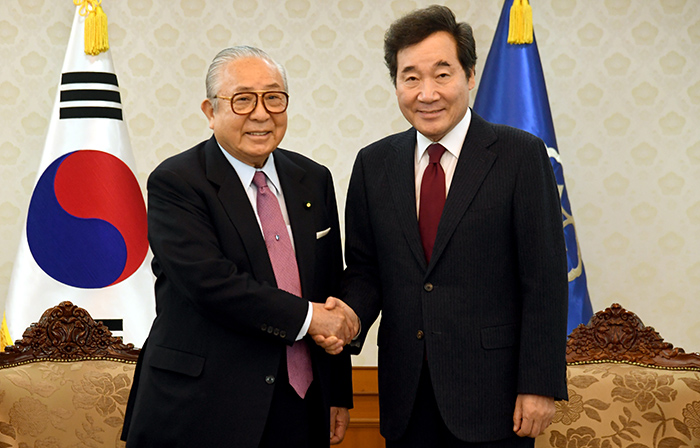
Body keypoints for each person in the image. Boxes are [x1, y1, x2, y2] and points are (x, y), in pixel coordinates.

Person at [336, 5, 568, 447]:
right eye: (411, 77)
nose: (427, 93)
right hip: (406, 395)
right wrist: (347, 318)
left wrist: (538, 384)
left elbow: (545, 279)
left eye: (442, 74)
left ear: (471, 75)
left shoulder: (520, 156)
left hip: (496, 398)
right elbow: (366, 270)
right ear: (396, 84)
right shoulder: (374, 164)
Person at [121, 46, 358, 448]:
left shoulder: (312, 178)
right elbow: (211, 284)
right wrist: (310, 318)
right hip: (202, 408)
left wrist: (337, 391)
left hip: (301, 404)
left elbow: (327, 284)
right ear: (210, 112)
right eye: (243, 99)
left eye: (274, 98)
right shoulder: (177, 181)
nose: (262, 113)